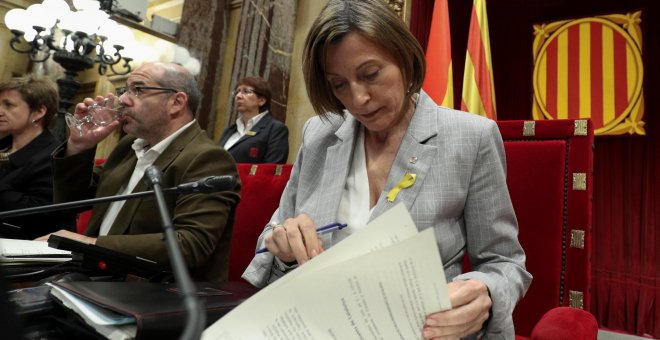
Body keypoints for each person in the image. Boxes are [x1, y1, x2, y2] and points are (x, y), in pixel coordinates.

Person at [242, 0, 532, 338]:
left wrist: (483, 292)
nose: (358, 99)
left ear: (405, 58)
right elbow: (273, 235)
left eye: (370, 75)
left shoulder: (471, 137)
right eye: (340, 85)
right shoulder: (319, 134)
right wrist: (284, 245)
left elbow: (505, 263)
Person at [36, 62, 240, 282]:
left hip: (156, 293)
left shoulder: (206, 158)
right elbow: (71, 201)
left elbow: (190, 244)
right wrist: (78, 147)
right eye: (126, 90)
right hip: (92, 274)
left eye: (139, 89)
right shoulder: (129, 147)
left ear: (176, 102)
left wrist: (87, 244)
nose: (123, 99)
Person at [0, 75, 75, 240]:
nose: (0, 111)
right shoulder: (3, 146)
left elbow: (40, 214)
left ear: (39, 112)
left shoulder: (56, 155)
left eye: (8, 105)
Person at [219, 76, 289, 163]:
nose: (238, 96)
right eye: (237, 92)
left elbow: (271, 170)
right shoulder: (229, 131)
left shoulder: (275, 129)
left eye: (246, 91)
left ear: (261, 100)